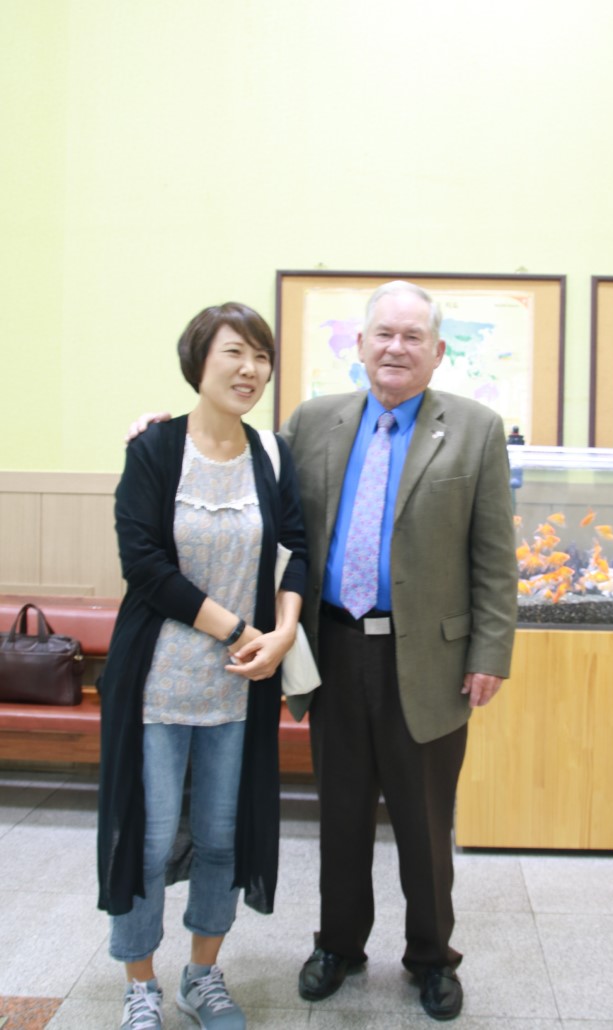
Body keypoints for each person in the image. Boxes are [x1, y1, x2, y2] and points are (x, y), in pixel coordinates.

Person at [129, 280, 518, 1022]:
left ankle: (431, 957)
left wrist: (490, 651)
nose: (396, 347)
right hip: (331, 649)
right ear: (361, 345)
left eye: (412, 336)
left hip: (429, 659)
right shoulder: (312, 422)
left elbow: (495, 555)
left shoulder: (474, 429)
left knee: (424, 823)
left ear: (438, 351)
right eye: (383, 334)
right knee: (338, 815)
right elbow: (239, 458)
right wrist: (159, 433)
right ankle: (338, 945)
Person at [99, 302, 308, 1030]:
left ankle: (202, 976)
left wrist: (282, 634)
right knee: (149, 837)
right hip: (156, 684)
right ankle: (140, 983)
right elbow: (144, 566)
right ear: (199, 361)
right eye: (234, 353)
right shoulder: (154, 450)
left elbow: (296, 550)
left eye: (261, 356)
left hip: (240, 689)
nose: (250, 369)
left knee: (222, 837)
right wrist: (240, 630)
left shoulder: (272, 455)